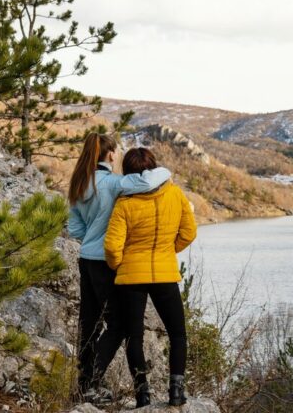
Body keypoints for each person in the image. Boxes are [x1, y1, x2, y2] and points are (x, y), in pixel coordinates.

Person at [67, 134, 172, 403]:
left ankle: (83, 384)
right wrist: (166, 170)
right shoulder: (116, 184)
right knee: (118, 325)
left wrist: (93, 234)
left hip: (86, 260)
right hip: (106, 262)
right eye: (117, 151)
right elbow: (149, 180)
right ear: (111, 155)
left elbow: (75, 228)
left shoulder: (79, 183)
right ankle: (91, 385)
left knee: (89, 323)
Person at [104, 147, 197, 408]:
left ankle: (142, 395)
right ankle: (176, 392)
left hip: (131, 277)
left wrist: (121, 265)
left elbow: (112, 247)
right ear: (153, 166)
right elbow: (189, 232)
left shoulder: (124, 202)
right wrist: (167, 251)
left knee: (134, 337)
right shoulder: (175, 193)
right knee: (178, 334)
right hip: (165, 273)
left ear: (128, 172)